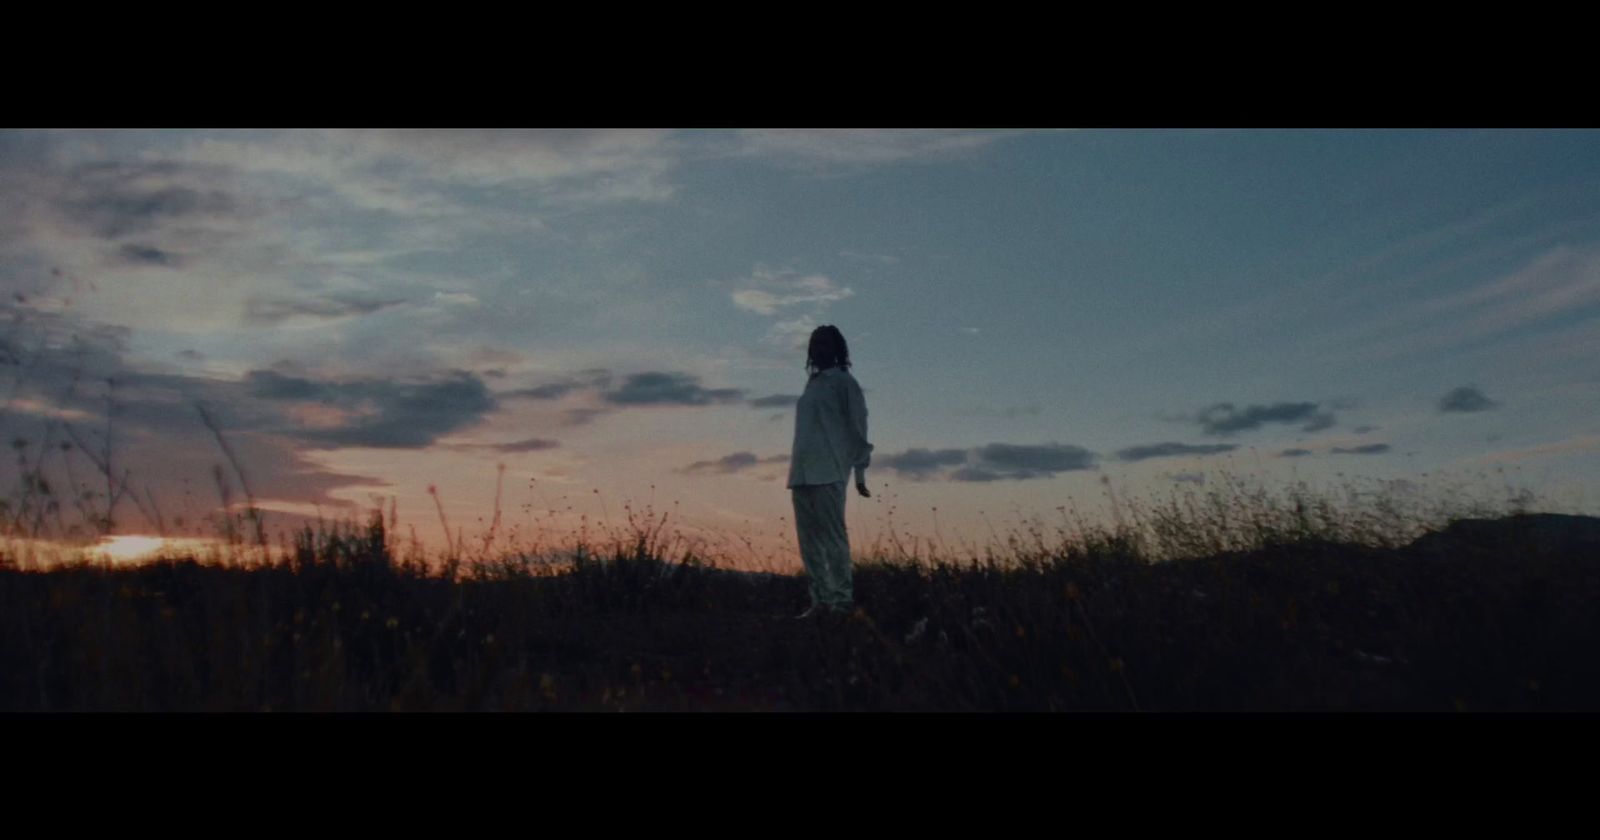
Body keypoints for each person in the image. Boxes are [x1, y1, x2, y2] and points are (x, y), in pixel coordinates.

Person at [787, 324, 873, 619]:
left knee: (833, 539)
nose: (819, 349)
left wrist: (860, 472)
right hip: (801, 473)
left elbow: (858, 427)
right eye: (814, 343)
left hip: (830, 471)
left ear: (837, 349)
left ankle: (841, 602)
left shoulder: (844, 383)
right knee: (809, 541)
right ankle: (819, 601)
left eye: (825, 343)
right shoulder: (812, 384)